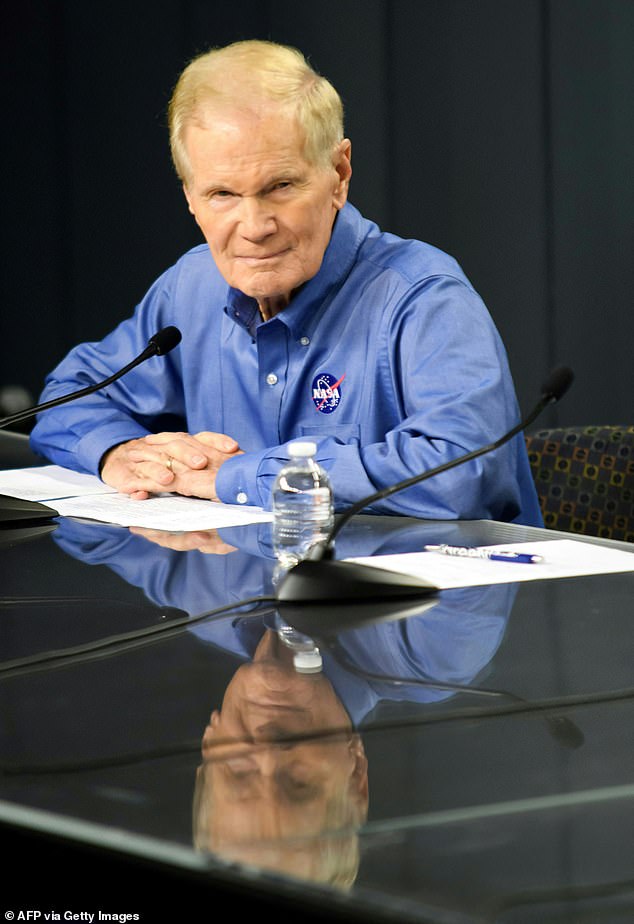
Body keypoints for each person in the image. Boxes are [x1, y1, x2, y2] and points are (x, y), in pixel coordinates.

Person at [30, 39, 542, 524]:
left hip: (417, 609)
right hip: (247, 602)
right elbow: (70, 396)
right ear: (190, 197)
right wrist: (119, 453)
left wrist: (238, 475)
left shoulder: (423, 298)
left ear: (339, 173)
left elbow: (463, 474)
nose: (254, 228)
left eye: (280, 186)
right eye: (222, 194)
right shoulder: (190, 287)